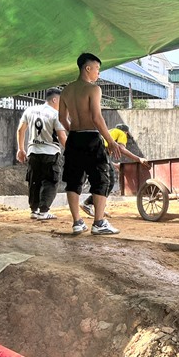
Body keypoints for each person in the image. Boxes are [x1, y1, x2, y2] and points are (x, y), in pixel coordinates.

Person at [59, 52, 121, 235]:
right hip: (92, 139)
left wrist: (74, 132)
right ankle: (99, 223)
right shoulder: (93, 89)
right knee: (101, 179)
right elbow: (96, 117)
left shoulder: (66, 91)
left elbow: (62, 118)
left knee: (73, 180)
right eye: (97, 69)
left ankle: (77, 222)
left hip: (74, 138)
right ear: (87, 68)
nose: (98, 74)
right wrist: (110, 141)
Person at [16, 88, 67, 220]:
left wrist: (20, 149)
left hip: (33, 152)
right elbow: (62, 137)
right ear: (55, 99)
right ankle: (44, 211)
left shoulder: (30, 110)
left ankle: (34, 210)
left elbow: (20, 130)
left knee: (34, 181)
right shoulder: (57, 114)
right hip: (50, 152)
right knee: (50, 181)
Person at [79, 123, 150, 217]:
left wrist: (114, 165)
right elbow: (121, 149)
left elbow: (103, 155)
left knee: (102, 182)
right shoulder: (121, 133)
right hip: (99, 154)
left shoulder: (109, 133)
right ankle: (88, 203)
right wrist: (138, 159)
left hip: (90, 154)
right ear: (125, 132)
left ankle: (98, 208)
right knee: (109, 182)